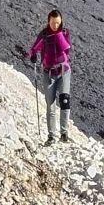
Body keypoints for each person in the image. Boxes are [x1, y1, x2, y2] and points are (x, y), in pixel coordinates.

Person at [29, 10, 72, 144]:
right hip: (48, 73)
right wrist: (33, 54)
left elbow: (66, 48)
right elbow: (34, 48)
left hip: (63, 70)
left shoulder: (64, 33)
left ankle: (64, 133)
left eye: (58, 23)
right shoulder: (44, 34)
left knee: (64, 101)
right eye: (53, 23)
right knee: (50, 104)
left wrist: (58, 34)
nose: (55, 25)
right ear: (48, 21)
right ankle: (52, 136)